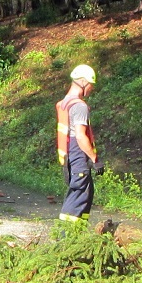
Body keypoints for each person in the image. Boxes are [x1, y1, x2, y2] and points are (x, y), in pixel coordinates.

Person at [56, 64, 102, 224]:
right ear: (82, 82)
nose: (91, 89)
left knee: (84, 194)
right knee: (78, 198)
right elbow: (81, 136)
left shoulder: (65, 103)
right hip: (78, 157)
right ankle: (66, 235)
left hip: (69, 156)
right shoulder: (79, 106)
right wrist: (95, 159)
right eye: (90, 84)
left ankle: (77, 234)